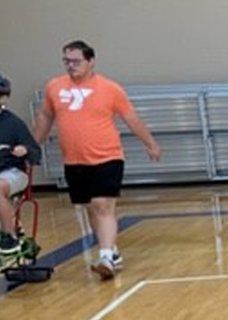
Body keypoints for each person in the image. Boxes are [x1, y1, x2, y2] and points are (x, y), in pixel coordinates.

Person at [32, 39, 161, 279]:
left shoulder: (109, 88)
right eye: (66, 61)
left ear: (91, 61)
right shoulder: (54, 87)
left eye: (76, 61)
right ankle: (110, 250)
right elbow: (45, 117)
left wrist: (150, 144)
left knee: (103, 205)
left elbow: (131, 118)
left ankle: (105, 257)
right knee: (92, 208)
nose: (71, 66)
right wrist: (32, 147)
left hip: (107, 156)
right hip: (74, 160)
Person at [0, 75, 41, 257]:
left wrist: (24, 150)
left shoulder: (13, 123)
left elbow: (35, 151)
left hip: (12, 172)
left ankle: (11, 236)